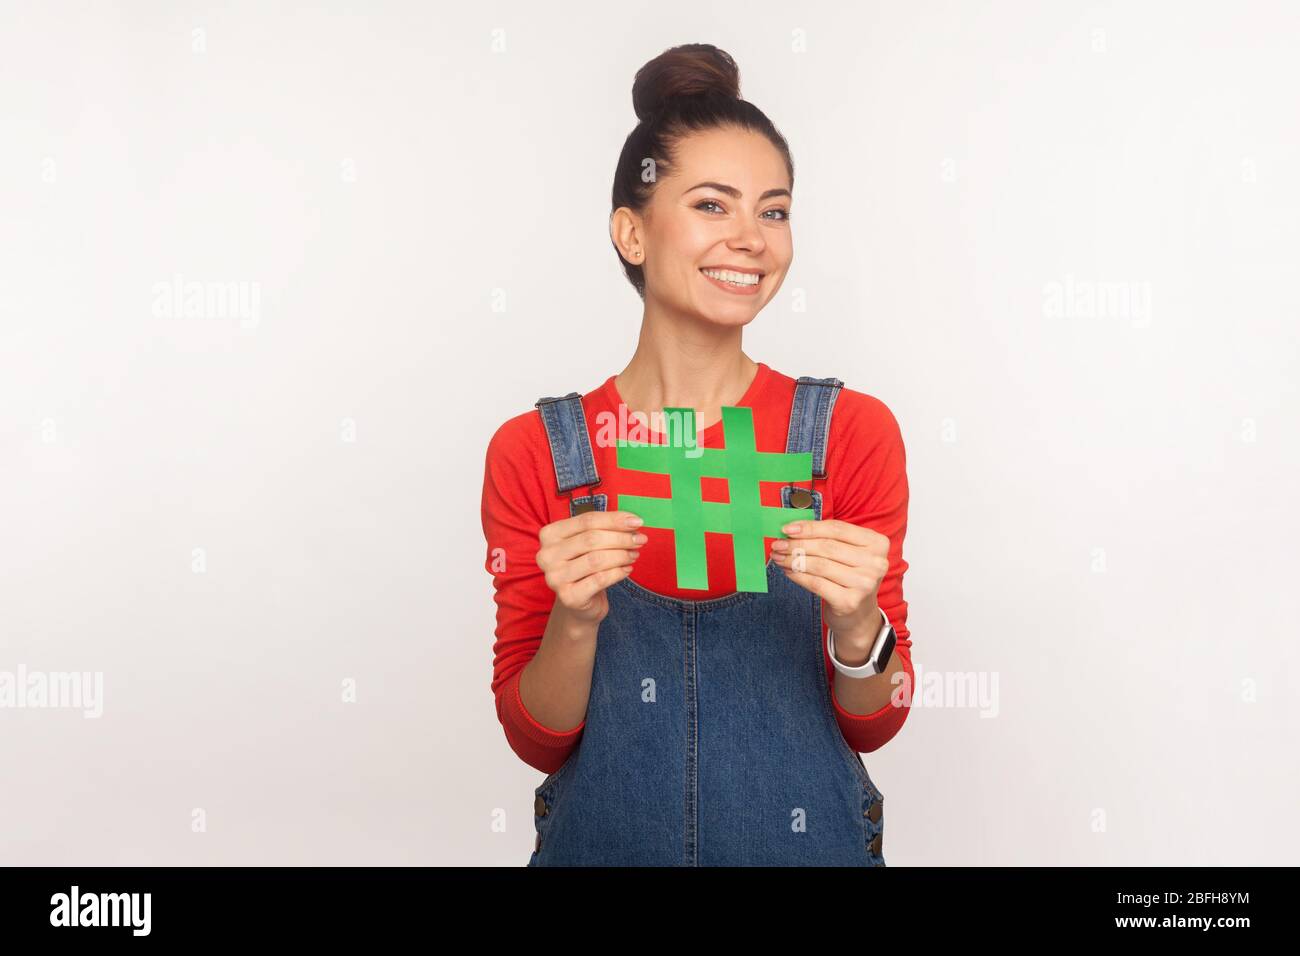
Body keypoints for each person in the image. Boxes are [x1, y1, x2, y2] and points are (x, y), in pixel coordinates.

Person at [480, 43, 913, 866]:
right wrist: (574, 621)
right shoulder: (536, 451)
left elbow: (877, 719)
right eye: (713, 206)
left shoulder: (850, 434)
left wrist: (861, 625)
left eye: (774, 211)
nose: (751, 239)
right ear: (631, 233)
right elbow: (536, 740)